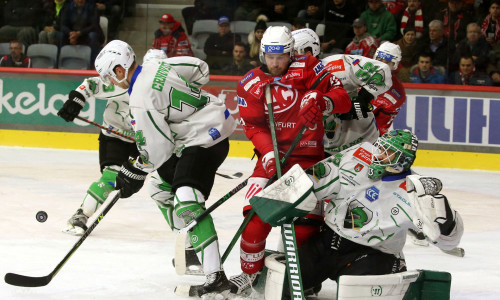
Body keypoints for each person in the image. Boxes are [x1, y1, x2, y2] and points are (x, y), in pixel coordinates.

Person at [93, 40, 236, 298]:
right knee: (159, 188)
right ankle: (194, 244)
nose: (110, 82)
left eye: (108, 76)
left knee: (187, 200)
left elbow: (157, 150)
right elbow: (200, 69)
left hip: (205, 139)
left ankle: (216, 276)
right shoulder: (156, 65)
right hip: (212, 123)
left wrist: (133, 169)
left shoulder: (139, 97)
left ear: (118, 70)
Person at [261, 129, 464, 297]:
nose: (378, 155)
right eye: (380, 148)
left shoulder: (413, 192)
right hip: (330, 241)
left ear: (402, 160)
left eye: (387, 153)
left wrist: (445, 219)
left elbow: (448, 241)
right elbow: (320, 177)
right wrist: (290, 186)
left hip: (372, 254)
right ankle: (312, 282)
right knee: (284, 286)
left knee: (355, 294)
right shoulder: (361, 154)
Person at [227, 26, 351, 296]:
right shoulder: (250, 83)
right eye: (270, 58)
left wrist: (323, 101)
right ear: (262, 54)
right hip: (271, 159)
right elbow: (253, 126)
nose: (275, 63)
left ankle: (306, 277)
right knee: (253, 225)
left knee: (304, 233)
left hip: (309, 161)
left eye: (281, 57)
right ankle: (250, 275)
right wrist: (268, 152)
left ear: (290, 53)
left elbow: (343, 100)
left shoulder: (308, 67)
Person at [293, 29, 396, 154]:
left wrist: (362, 98)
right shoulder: (288, 80)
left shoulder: (338, 65)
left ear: (308, 52)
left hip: (363, 142)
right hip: (327, 150)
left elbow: (382, 70)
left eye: (292, 53)